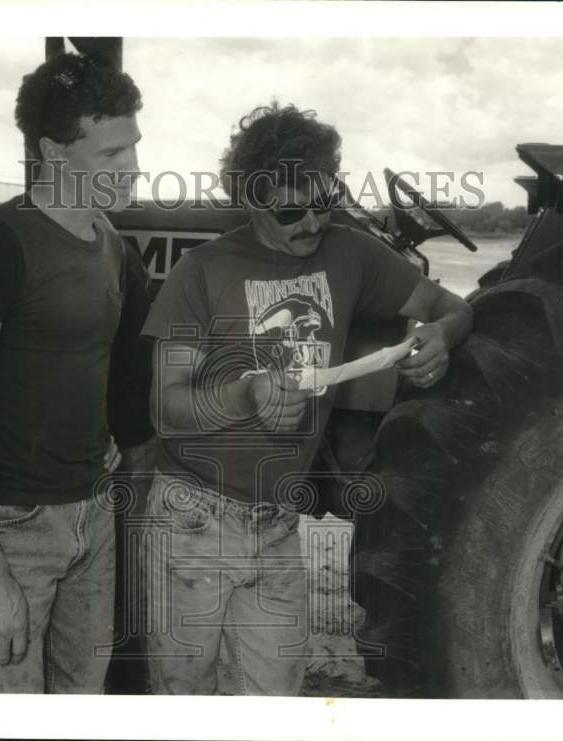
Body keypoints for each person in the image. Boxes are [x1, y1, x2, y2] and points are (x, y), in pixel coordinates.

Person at [141, 102, 473, 695]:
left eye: (323, 202)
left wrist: (442, 337)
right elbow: (164, 409)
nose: (311, 223)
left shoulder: (351, 253)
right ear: (250, 201)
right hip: (193, 521)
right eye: (291, 210)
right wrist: (247, 396)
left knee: (275, 705)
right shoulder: (200, 272)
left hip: (275, 521)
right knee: (182, 706)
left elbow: (450, 306)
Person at [0, 51, 144, 694]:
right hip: (11, 528)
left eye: (134, 146)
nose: (133, 167)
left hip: (91, 516)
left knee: (81, 705)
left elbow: (105, 372)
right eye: (111, 154)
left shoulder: (113, 246)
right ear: (54, 152)